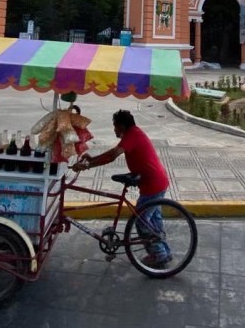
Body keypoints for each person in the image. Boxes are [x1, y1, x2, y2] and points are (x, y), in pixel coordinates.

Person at [71, 109, 172, 267]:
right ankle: (164, 252)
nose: (114, 130)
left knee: (141, 221)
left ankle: (159, 254)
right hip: (156, 182)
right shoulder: (133, 133)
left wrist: (87, 166)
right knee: (153, 219)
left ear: (122, 126)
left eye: (115, 127)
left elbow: (112, 156)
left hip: (153, 184)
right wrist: (92, 159)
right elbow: (111, 153)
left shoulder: (132, 135)